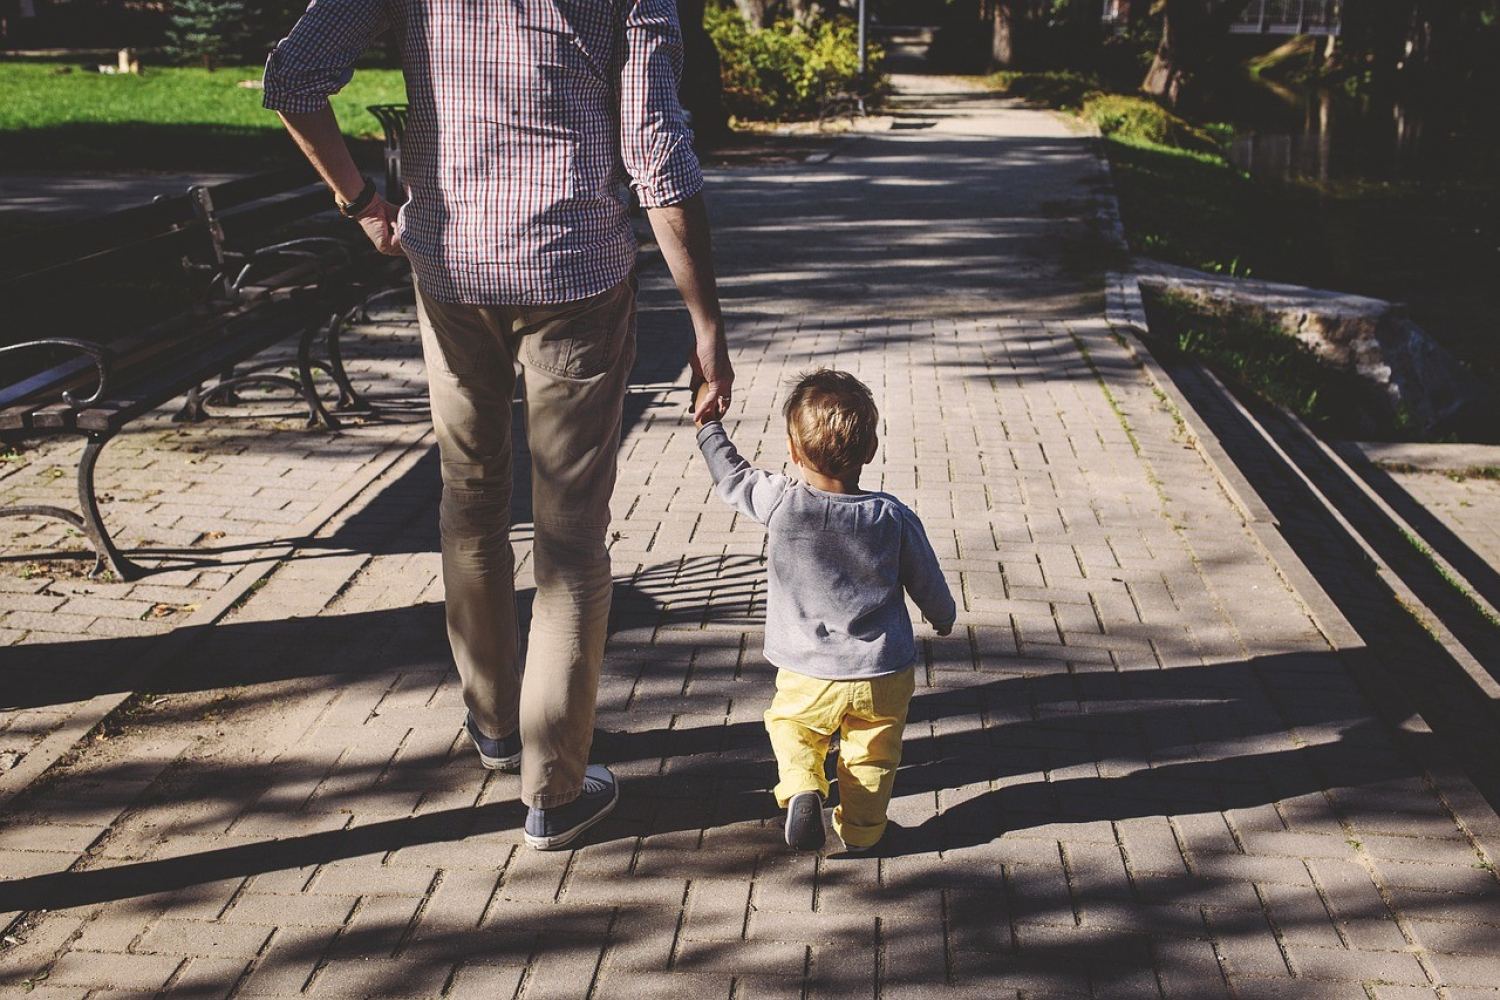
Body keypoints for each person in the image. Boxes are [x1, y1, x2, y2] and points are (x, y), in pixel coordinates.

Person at [263, 0, 732, 851]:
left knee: (470, 501)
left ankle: (495, 725)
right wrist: (705, 320)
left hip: (453, 266)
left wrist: (363, 202)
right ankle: (552, 792)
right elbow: (657, 153)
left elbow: (294, 77)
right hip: (575, 271)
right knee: (571, 541)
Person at [693, 370, 955, 852]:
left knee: (792, 727)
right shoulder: (892, 516)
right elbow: (927, 580)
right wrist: (943, 616)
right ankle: (863, 832)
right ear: (870, 451)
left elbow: (732, 476)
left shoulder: (783, 502)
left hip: (808, 670)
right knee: (873, 757)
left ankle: (802, 789)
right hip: (882, 672)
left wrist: (708, 427)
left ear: (794, 452)